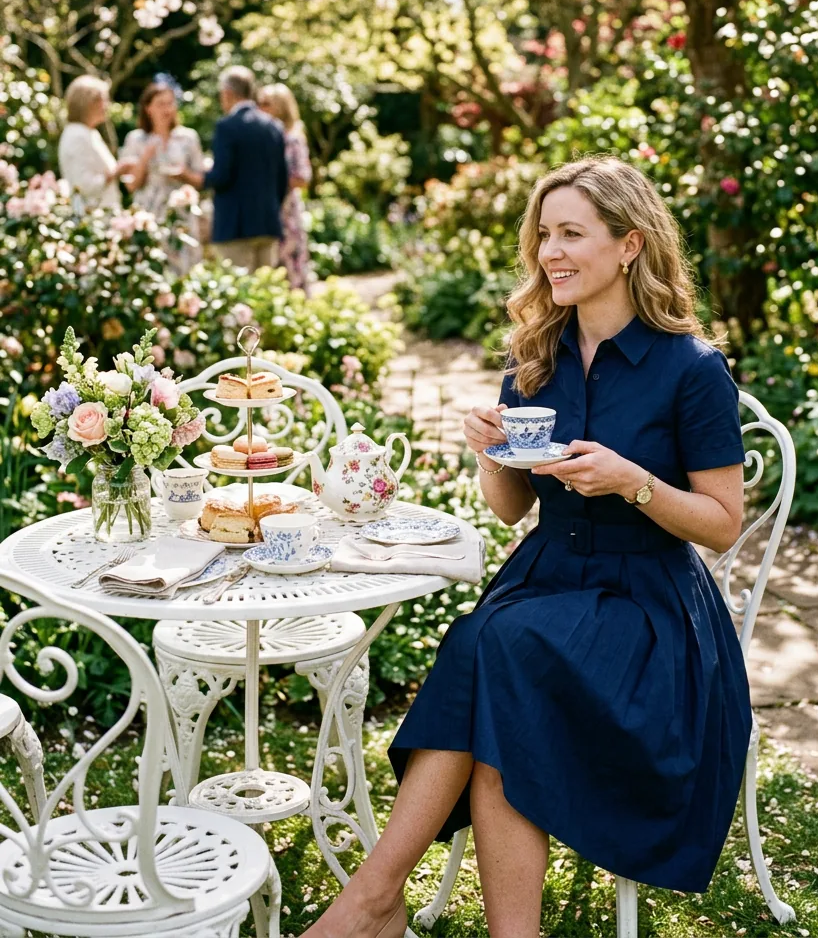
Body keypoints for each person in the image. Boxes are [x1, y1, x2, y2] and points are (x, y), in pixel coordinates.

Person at [302, 156, 751, 938]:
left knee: (495, 644)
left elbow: (721, 522)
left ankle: (373, 903)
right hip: (549, 581)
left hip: (648, 612)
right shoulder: (535, 358)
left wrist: (632, 481)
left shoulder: (691, 369)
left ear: (630, 246)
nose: (551, 253)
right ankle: (429, 915)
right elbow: (512, 507)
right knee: (500, 652)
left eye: (573, 233)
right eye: (545, 235)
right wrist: (488, 449)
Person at [192, 65, 288, 272]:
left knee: (240, 295)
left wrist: (196, 176)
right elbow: (283, 179)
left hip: (235, 227)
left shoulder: (227, 127)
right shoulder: (274, 126)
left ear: (226, 93)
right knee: (264, 293)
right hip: (267, 222)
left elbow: (221, 177)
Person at [119, 80, 206, 272]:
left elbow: (201, 180)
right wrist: (145, 157)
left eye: (170, 103)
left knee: (185, 269)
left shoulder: (188, 137)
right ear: (148, 108)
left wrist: (184, 175)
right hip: (148, 213)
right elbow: (131, 186)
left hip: (180, 214)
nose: (166, 109)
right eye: (160, 104)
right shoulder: (135, 139)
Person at [257, 83, 313, 293]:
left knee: (291, 265)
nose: (260, 108)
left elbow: (303, 177)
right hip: (268, 209)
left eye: (265, 104)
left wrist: (273, 179)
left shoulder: (293, 138)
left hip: (286, 210)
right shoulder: (265, 136)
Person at [57, 75, 136, 210]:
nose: (107, 105)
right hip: (92, 219)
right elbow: (83, 186)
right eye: (103, 100)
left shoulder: (89, 133)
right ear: (88, 102)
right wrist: (116, 172)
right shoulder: (77, 136)